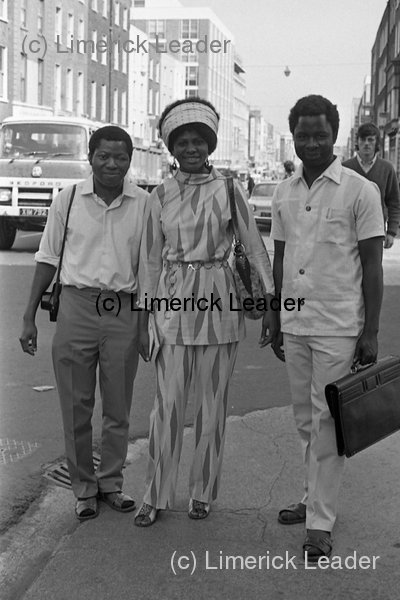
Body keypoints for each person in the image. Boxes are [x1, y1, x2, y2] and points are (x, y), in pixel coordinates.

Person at [134, 97, 275, 527]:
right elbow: (150, 261)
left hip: (220, 305)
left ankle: (202, 492)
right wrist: (144, 318)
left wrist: (270, 305)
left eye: (199, 140)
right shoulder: (157, 196)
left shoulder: (230, 190)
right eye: (183, 142)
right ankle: (156, 494)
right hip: (172, 306)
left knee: (213, 407)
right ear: (171, 148)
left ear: (210, 144)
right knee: (168, 405)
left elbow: (253, 247)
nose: (191, 148)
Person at [266, 95, 384, 561]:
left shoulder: (360, 191)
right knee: (303, 419)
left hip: (338, 325)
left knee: (328, 420)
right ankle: (311, 496)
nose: (311, 143)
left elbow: (372, 268)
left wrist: (370, 331)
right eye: (302, 135)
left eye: (320, 134)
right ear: (292, 136)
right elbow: (280, 258)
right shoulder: (283, 192)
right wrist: (274, 315)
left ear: (336, 135)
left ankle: (321, 522)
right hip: (295, 324)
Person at [20, 126, 149, 521]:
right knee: (75, 404)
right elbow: (46, 257)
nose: (111, 164)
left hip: (122, 310)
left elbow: (148, 268)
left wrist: (143, 325)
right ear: (90, 156)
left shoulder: (144, 204)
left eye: (120, 157)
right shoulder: (69, 199)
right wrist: (28, 317)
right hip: (75, 306)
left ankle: (111, 483)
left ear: (130, 160)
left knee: (117, 406)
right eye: (103, 156)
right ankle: (83, 488)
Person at [343, 122, 400, 249]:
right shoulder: (345, 168)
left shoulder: (387, 169)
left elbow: (394, 202)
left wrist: (391, 231)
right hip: (347, 231)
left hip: (375, 231)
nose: (366, 143)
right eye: (363, 139)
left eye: (371, 140)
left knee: (373, 268)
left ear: (377, 143)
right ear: (357, 142)